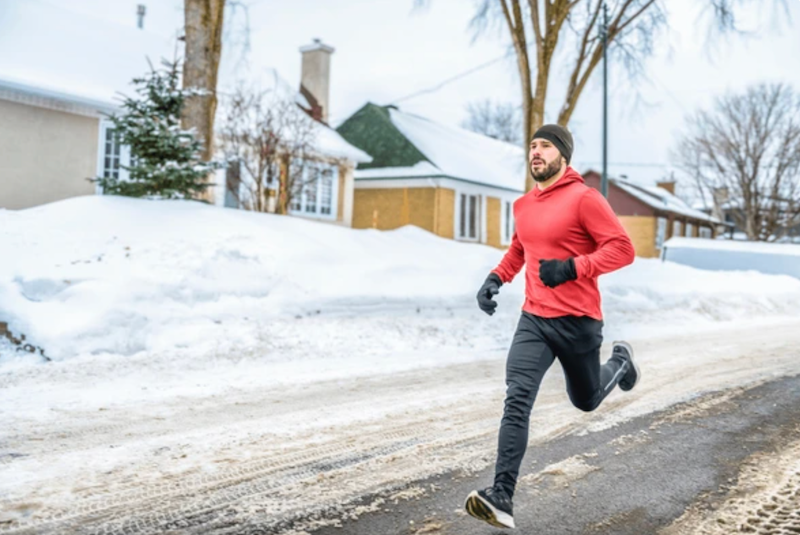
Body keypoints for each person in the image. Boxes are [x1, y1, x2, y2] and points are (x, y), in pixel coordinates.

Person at [464, 124, 640, 529]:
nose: (536, 152)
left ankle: (621, 362)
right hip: (535, 319)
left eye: (544, 146)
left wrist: (574, 267)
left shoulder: (585, 199)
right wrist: (496, 278)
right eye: (532, 146)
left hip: (578, 322)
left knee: (586, 400)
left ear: (563, 155)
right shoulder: (525, 204)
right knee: (517, 398)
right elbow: (520, 248)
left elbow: (622, 249)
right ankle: (502, 494)